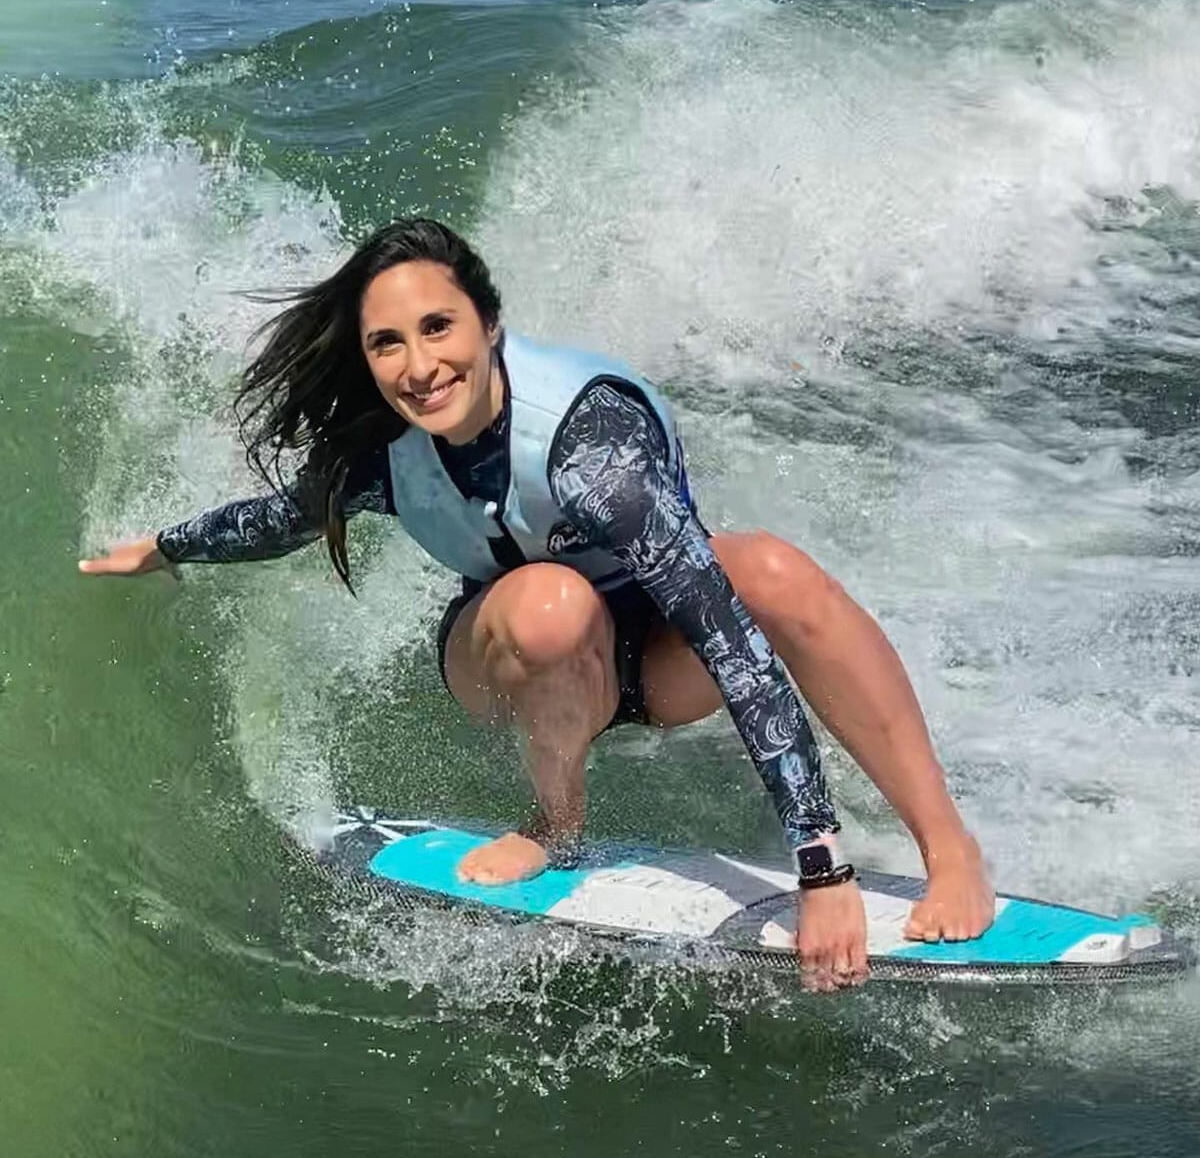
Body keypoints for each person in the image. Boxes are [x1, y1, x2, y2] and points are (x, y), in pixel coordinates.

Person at [79, 217, 994, 992]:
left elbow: (733, 648)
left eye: (439, 328)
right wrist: (165, 547)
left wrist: (821, 869)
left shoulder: (593, 444)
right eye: (386, 343)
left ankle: (947, 844)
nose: (418, 365)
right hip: (514, 652)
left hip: (656, 660)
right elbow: (284, 518)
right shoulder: (381, 447)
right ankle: (554, 823)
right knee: (551, 604)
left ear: (490, 322)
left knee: (776, 572)